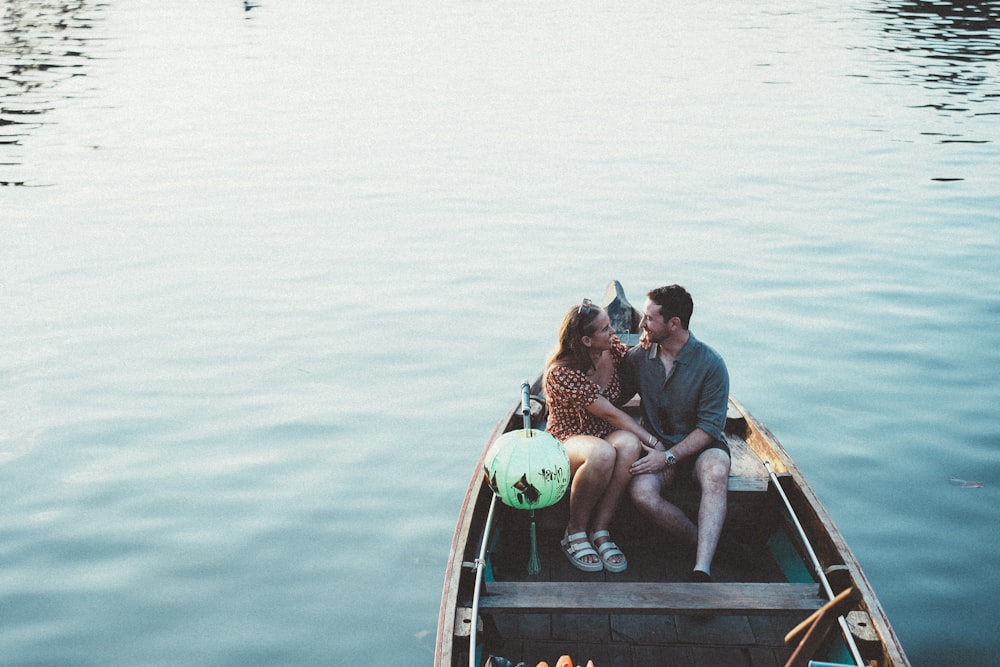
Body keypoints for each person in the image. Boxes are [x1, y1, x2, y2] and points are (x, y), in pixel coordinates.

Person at [544, 298, 665, 573]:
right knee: (601, 453)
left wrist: (650, 342)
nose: (614, 333)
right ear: (587, 341)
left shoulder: (612, 351)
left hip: (603, 432)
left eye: (611, 326)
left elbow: (639, 354)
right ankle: (574, 532)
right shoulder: (561, 373)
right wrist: (655, 442)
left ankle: (601, 529)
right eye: (606, 329)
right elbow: (611, 413)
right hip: (569, 437)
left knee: (630, 443)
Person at [621, 285, 731, 582]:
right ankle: (703, 542)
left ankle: (702, 569)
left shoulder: (711, 364)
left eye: (648, 319)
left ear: (674, 324)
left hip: (700, 450)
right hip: (657, 447)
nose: (641, 324)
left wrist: (668, 457)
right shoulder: (639, 358)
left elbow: (709, 428)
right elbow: (615, 397)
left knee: (717, 471)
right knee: (641, 494)